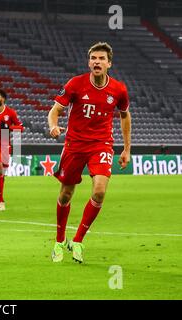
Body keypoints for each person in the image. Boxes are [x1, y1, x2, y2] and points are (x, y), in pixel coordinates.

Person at [48, 42, 131, 263]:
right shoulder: (76, 84)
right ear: (89, 62)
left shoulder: (119, 89)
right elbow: (55, 111)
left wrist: (126, 148)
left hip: (101, 144)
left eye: (101, 58)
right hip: (74, 145)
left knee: (100, 191)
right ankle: (59, 240)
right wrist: (53, 126)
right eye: (93, 58)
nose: (97, 61)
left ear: (109, 63)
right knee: (66, 194)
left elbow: (125, 116)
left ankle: (78, 240)